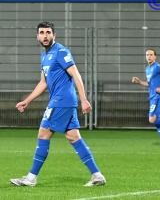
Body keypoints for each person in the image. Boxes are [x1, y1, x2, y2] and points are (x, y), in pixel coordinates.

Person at [10, 21, 106, 187]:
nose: (45, 36)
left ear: (54, 35)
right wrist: (27, 101)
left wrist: (84, 99)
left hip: (61, 101)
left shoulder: (61, 51)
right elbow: (43, 83)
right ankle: (97, 175)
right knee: (73, 136)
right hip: (63, 102)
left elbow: (76, 75)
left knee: (43, 134)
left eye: (48, 32)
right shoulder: (44, 56)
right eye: (42, 32)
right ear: (37, 36)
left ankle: (31, 178)